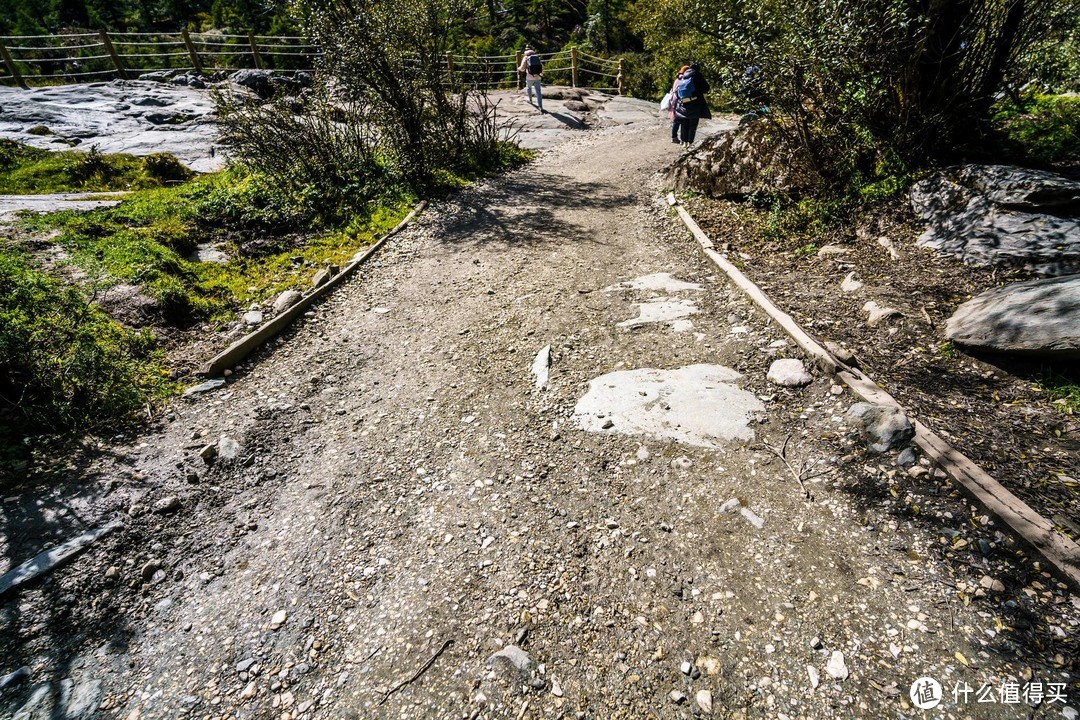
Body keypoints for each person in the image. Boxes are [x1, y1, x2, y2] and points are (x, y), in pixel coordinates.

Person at [673, 63, 712, 146]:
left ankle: (684, 142)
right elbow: (706, 88)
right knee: (693, 123)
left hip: (684, 102)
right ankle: (690, 142)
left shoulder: (684, 75)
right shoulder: (697, 75)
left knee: (684, 122)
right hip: (695, 102)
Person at [518, 45, 544, 113]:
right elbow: (541, 66)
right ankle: (540, 106)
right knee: (538, 91)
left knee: (529, 87)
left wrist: (519, 68)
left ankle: (530, 100)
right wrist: (541, 74)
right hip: (538, 76)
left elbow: (522, 68)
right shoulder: (536, 56)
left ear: (526, 51)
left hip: (529, 77)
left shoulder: (525, 57)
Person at [668, 66, 690, 145]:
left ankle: (674, 137)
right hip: (680, 102)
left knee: (675, 121)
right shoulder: (684, 79)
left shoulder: (677, 79)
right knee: (683, 121)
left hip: (674, 101)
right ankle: (682, 139)